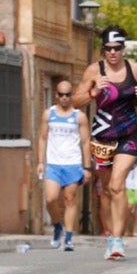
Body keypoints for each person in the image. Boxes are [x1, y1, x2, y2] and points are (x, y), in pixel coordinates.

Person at [73, 26, 137, 261]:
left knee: (117, 184)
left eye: (117, 48)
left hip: (129, 134)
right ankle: (111, 237)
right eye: (108, 49)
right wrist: (93, 93)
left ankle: (117, 240)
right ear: (103, 49)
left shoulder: (135, 69)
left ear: (123, 48)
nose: (113, 53)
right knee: (106, 190)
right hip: (102, 135)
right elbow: (76, 101)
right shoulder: (94, 71)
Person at [36, 79, 91, 251]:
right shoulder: (48, 114)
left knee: (70, 199)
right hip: (53, 163)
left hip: (72, 163)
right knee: (51, 198)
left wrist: (87, 167)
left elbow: (86, 142)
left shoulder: (79, 116)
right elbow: (42, 138)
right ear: (56, 95)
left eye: (68, 95)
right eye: (61, 95)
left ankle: (68, 237)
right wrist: (40, 162)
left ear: (71, 96)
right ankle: (57, 225)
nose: (65, 98)